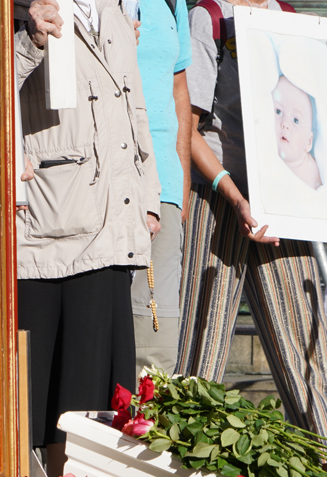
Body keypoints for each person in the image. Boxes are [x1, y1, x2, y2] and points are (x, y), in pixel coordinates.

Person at [178, 0, 327, 448]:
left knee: (306, 341)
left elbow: (322, 120)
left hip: (284, 197)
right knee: (203, 340)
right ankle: (186, 464)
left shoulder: (290, 17)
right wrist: (234, 196)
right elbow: (189, 127)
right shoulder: (209, 16)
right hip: (217, 196)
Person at [17, 0, 160, 477]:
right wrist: (31, 38)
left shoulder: (115, 11)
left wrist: (148, 195)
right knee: (35, 402)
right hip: (48, 229)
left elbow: (134, 104)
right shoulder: (16, 10)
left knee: (96, 402)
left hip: (113, 227)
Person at [131, 0, 193, 377]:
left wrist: (180, 183)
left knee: (156, 351)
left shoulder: (175, 3)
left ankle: (144, 433)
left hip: (164, 188)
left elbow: (179, 90)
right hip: (103, 182)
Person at [272, 75, 320, 189]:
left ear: (308, 142)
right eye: (278, 111)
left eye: (296, 120)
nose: (285, 123)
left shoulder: (311, 174)